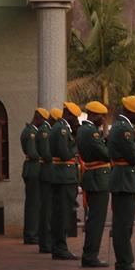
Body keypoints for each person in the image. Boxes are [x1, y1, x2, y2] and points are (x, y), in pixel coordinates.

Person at [109, 95, 135, 270]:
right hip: (124, 180)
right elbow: (134, 156)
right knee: (123, 226)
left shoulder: (122, 127)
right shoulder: (124, 129)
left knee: (123, 225)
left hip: (123, 179)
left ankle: (124, 263)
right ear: (129, 112)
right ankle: (124, 264)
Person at [77, 101, 112, 268]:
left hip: (93, 176)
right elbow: (105, 155)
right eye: (101, 116)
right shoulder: (91, 132)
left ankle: (89, 254)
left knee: (93, 219)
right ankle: (90, 256)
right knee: (97, 220)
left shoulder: (85, 130)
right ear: (93, 115)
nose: (103, 119)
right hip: (98, 178)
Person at [49, 102, 81, 260]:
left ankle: (59, 246)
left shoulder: (61, 127)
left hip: (62, 175)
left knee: (61, 213)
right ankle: (60, 247)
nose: (77, 121)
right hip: (63, 176)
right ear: (69, 115)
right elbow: (65, 154)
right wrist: (77, 145)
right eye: (75, 117)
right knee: (62, 214)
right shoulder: (62, 129)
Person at [20, 108, 46, 245]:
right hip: (33, 168)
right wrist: (46, 156)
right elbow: (32, 152)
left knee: (35, 203)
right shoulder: (31, 132)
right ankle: (31, 234)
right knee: (33, 204)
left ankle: (33, 233)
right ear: (38, 117)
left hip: (34, 168)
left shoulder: (33, 131)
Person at [37, 107, 58, 254]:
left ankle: (47, 241)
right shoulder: (45, 131)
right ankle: (45, 243)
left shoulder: (48, 129)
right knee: (47, 209)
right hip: (48, 171)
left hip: (50, 171)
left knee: (49, 209)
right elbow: (46, 153)